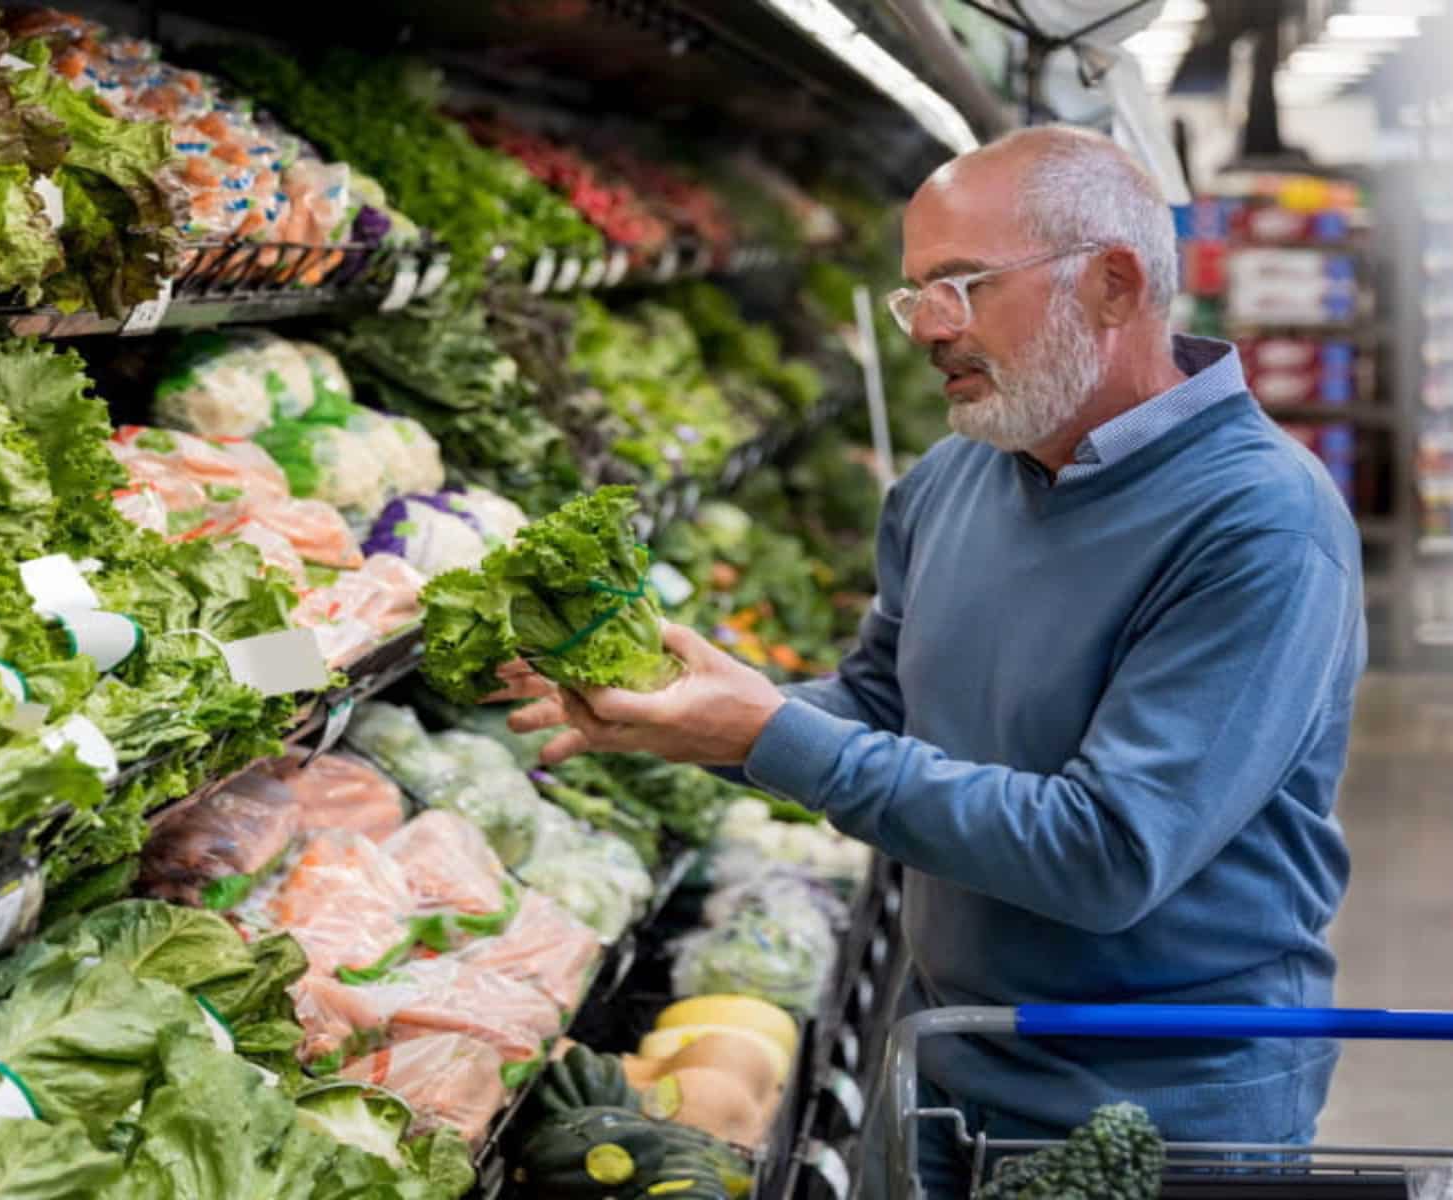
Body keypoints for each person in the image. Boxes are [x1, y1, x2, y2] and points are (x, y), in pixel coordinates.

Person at [497, 126, 1365, 1195]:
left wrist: (768, 733)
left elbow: (1108, 856)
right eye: (916, 295)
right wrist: (674, 710)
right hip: (948, 1050)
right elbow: (877, 708)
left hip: (1163, 1099)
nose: (929, 328)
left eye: (963, 285)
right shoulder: (954, 481)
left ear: (1112, 282)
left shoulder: (1258, 523)